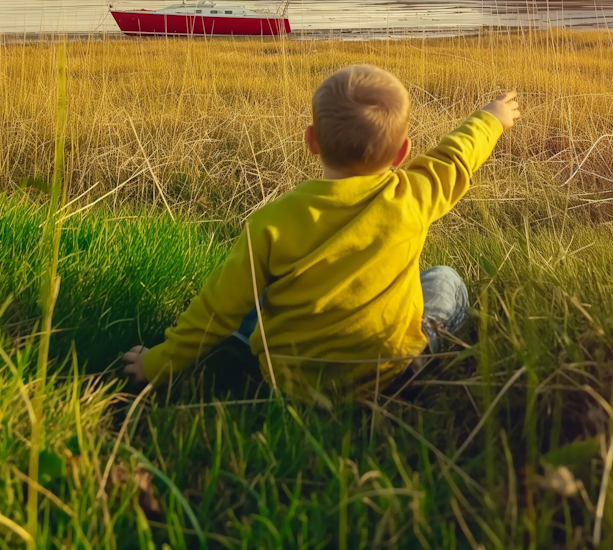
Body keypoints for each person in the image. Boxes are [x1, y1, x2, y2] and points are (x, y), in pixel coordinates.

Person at [124, 65, 519, 397]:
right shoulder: (413, 195)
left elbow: (215, 309)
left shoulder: (271, 224)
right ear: (402, 153)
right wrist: (491, 118)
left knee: (255, 292)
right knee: (444, 280)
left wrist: (157, 363)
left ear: (311, 141)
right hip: (393, 373)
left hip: (291, 382)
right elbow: (457, 155)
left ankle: (237, 347)